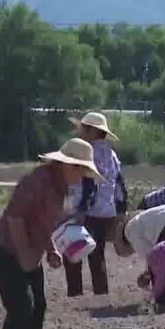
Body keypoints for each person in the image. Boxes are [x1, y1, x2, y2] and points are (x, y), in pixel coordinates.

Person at [0, 138, 103, 329]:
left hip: (30, 250)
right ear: (69, 165)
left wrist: (50, 249)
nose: (82, 178)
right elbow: (15, 216)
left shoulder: (60, 189)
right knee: (22, 305)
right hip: (6, 250)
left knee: (39, 305)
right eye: (82, 171)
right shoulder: (37, 182)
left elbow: (41, 223)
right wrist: (24, 254)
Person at [64, 112, 128, 298]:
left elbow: (90, 183)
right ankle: (101, 293)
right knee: (97, 254)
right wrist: (121, 210)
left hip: (89, 212)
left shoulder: (87, 152)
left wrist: (81, 210)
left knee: (73, 252)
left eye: (84, 129)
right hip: (107, 212)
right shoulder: (112, 154)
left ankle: (75, 294)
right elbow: (120, 184)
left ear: (92, 131)